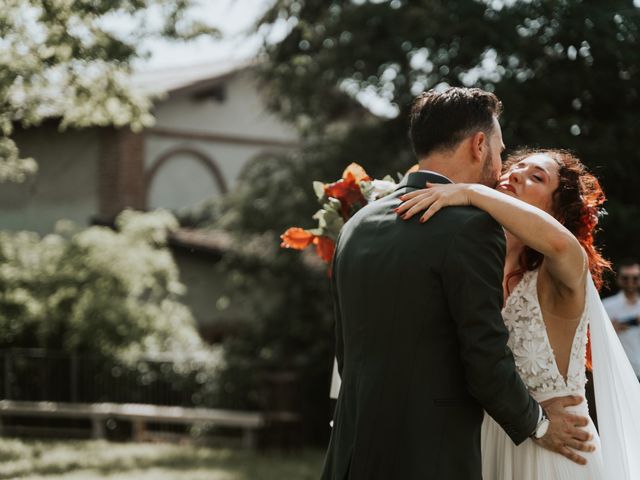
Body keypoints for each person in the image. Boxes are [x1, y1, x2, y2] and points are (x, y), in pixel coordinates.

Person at [321, 88, 593, 480]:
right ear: (479, 145)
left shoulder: (357, 225)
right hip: (434, 456)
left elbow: (346, 354)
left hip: (353, 451)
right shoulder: (471, 228)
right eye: (500, 151)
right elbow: (483, 358)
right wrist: (540, 425)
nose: (502, 168)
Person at [397, 149, 640, 478]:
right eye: (515, 168)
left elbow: (557, 243)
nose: (515, 175)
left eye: (536, 177)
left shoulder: (563, 269)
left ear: (558, 209)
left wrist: (470, 191)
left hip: (555, 453)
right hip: (483, 447)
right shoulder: (473, 268)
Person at [602, 259, 640, 378]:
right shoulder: (607, 306)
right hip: (618, 372)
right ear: (618, 279)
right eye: (625, 278)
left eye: (635, 278)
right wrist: (611, 331)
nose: (630, 282)